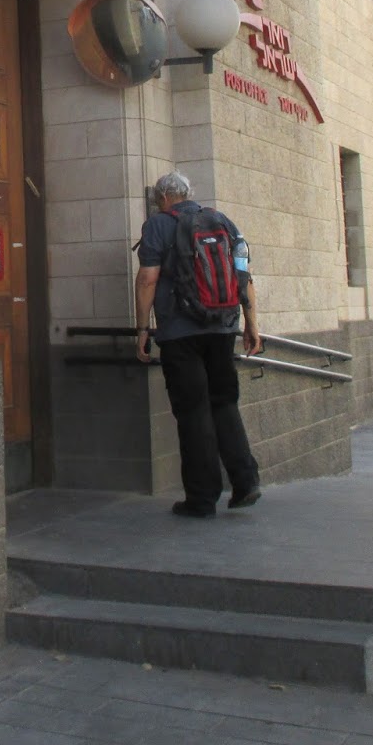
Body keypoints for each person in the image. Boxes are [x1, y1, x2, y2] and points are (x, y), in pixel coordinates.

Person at [134, 170, 262, 518]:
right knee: (224, 403)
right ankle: (246, 481)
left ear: (162, 198)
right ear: (189, 193)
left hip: (179, 332)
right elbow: (243, 275)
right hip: (223, 328)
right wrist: (251, 324)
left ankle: (202, 499)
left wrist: (143, 329)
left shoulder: (159, 225)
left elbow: (148, 279)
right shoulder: (221, 221)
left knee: (193, 413)